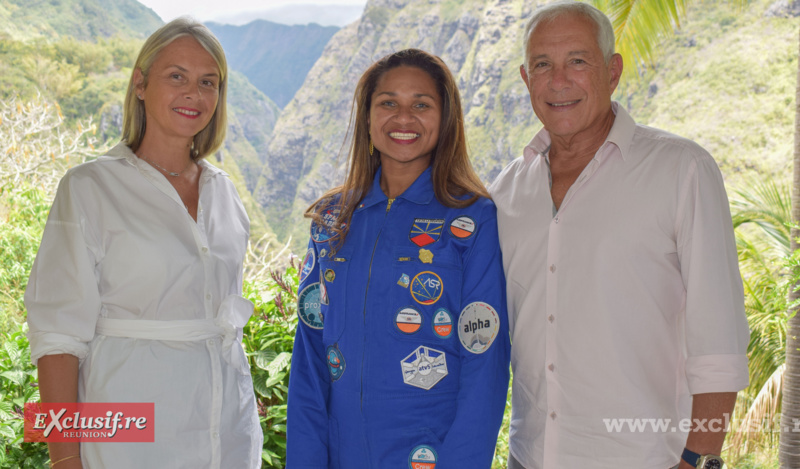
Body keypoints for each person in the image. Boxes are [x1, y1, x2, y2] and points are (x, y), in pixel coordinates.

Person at [489, 2, 750, 468]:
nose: (559, 80)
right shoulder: (505, 192)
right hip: (528, 459)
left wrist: (700, 460)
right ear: (526, 80)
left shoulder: (681, 171)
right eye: (543, 65)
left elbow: (720, 343)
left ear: (613, 71)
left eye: (578, 61)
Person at [25, 18, 262, 468]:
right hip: (127, 435)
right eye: (177, 76)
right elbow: (56, 338)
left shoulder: (224, 193)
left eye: (207, 82)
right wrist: (64, 460)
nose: (194, 93)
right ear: (140, 83)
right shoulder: (89, 187)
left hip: (227, 431)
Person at [286, 48, 510, 468]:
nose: (403, 118)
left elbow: (485, 367)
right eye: (388, 102)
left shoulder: (472, 220)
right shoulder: (331, 220)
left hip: (431, 456)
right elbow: (310, 360)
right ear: (367, 118)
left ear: (444, 119)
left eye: (421, 105)